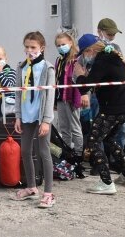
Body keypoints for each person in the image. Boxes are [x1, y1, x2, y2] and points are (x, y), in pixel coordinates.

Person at [73, 33, 125, 194]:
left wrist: (80, 74)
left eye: (84, 53)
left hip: (112, 111)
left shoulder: (102, 61)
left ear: (90, 50)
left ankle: (106, 182)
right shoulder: (113, 56)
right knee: (110, 139)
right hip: (124, 109)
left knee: (94, 142)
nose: (85, 57)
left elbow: (86, 86)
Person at [11, 31, 56, 208]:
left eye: (33, 47)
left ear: (42, 48)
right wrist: (18, 116)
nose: (30, 50)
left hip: (41, 116)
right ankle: (31, 187)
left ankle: (49, 193)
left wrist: (46, 120)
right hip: (26, 115)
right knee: (25, 151)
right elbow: (17, 93)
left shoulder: (48, 68)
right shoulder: (21, 67)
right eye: (27, 47)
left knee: (43, 152)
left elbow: (50, 94)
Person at [53, 32, 84, 160]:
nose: (61, 47)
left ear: (71, 43)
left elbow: (80, 80)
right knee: (64, 128)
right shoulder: (59, 60)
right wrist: (55, 100)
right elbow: (56, 80)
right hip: (61, 98)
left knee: (75, 127)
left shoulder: (76, 59)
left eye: (63, 44)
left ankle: (79, 154)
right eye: (58, 45)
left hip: (72, 98)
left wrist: (80, 97)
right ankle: (67, 152)